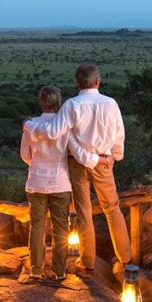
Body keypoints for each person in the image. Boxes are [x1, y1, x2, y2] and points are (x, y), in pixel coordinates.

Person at [23, 62, 130, 275]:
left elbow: (53, 132)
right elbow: (119, 134)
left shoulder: (71, 105)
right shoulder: (111, 104)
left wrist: (29, 125)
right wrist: (114, 156)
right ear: (98, 81)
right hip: (104, 162)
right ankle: (125, 258)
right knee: (113, 208)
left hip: (77, 163)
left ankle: (87, 260)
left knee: (84, 212)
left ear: (77, 83)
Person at [19, 85, 93, 281]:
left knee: (37, 226)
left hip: (36, 182)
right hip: (60, 183)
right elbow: (75, 153)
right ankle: (59, 271)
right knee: (61, 227)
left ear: (41, 102)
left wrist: (37, 164)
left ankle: (36, 270)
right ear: (59, 103)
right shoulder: (65, 128)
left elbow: (25, 155)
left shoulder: (31, 126)